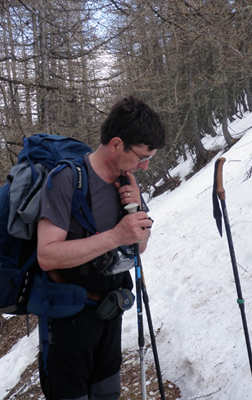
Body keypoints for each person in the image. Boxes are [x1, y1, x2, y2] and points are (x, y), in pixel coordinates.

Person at [36, 96, 166, 400]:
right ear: (117, 144)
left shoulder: (126, 181)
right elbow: (46, 255)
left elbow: (140, 246)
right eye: (142, 157)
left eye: (150, 158)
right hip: (68, 318)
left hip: (110, 311)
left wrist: (134, 208)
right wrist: (115, 236)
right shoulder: (67, 179)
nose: (145, 166)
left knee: (108, 393)